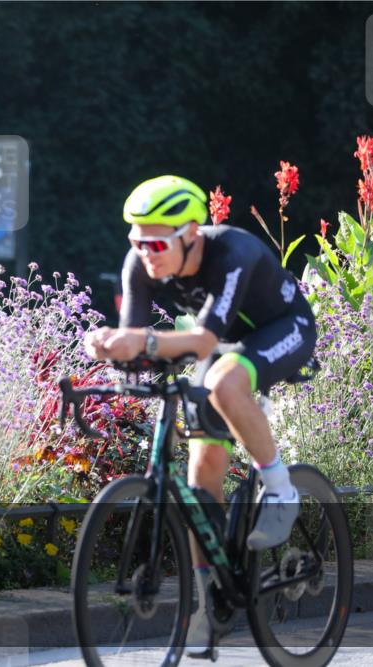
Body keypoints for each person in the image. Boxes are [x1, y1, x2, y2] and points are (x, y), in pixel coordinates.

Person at [83, 175, 318, 658]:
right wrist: (109, 347)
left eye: (156, 242)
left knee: (225, 383)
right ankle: (209, 601)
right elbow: (138, 342)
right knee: (200, 477)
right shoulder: (140, 264)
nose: (145, 252)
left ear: (190, 232)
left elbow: (204, 339)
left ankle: (281, 489)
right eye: (136, 241)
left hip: (284, 328)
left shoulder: (232, 251)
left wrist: (141, 341)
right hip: (224, 345)